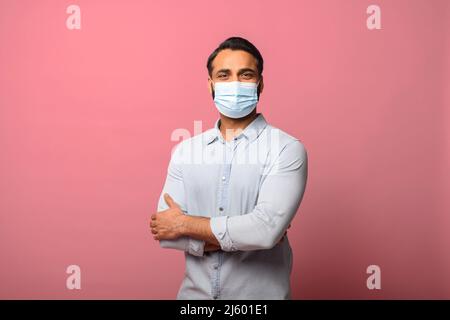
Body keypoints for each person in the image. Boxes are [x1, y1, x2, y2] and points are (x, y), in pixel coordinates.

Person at [150, 36, 308, 299]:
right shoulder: (185, 151)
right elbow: (165, 231)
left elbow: (265, 231)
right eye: (224, 75)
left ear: (260, 83)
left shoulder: (286, 149)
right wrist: (246, 234)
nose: (234, 83)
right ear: (211, 84)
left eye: (245, 74)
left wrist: (184, 224)